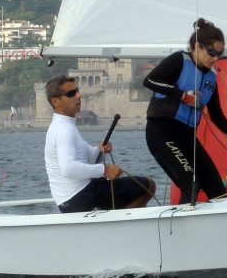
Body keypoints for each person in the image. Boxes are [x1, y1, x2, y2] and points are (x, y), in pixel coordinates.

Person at [144, 18, 227, 205]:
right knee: (190, 184)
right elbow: (149, 81)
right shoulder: (179, 60)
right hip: (162, 132)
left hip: (187, 136)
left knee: (217, 190)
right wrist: (182, 95)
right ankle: (179, 230)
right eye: (212, 52)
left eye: (219, 54)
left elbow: (217, 116)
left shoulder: (211, 78)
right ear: (197, 46)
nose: (215, 58)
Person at [44, 75, 156, 213]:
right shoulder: (64, 130)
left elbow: (87, 159)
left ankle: (119, 221)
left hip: (72, 198)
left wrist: (99, 149)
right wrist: (104, 169)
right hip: (78, 197)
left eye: (77, 91)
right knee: (148, 185)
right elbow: (68, 168)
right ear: (55, 101)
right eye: (71, 93)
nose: (79, 95)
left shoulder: (63, 125)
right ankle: (121, 224)